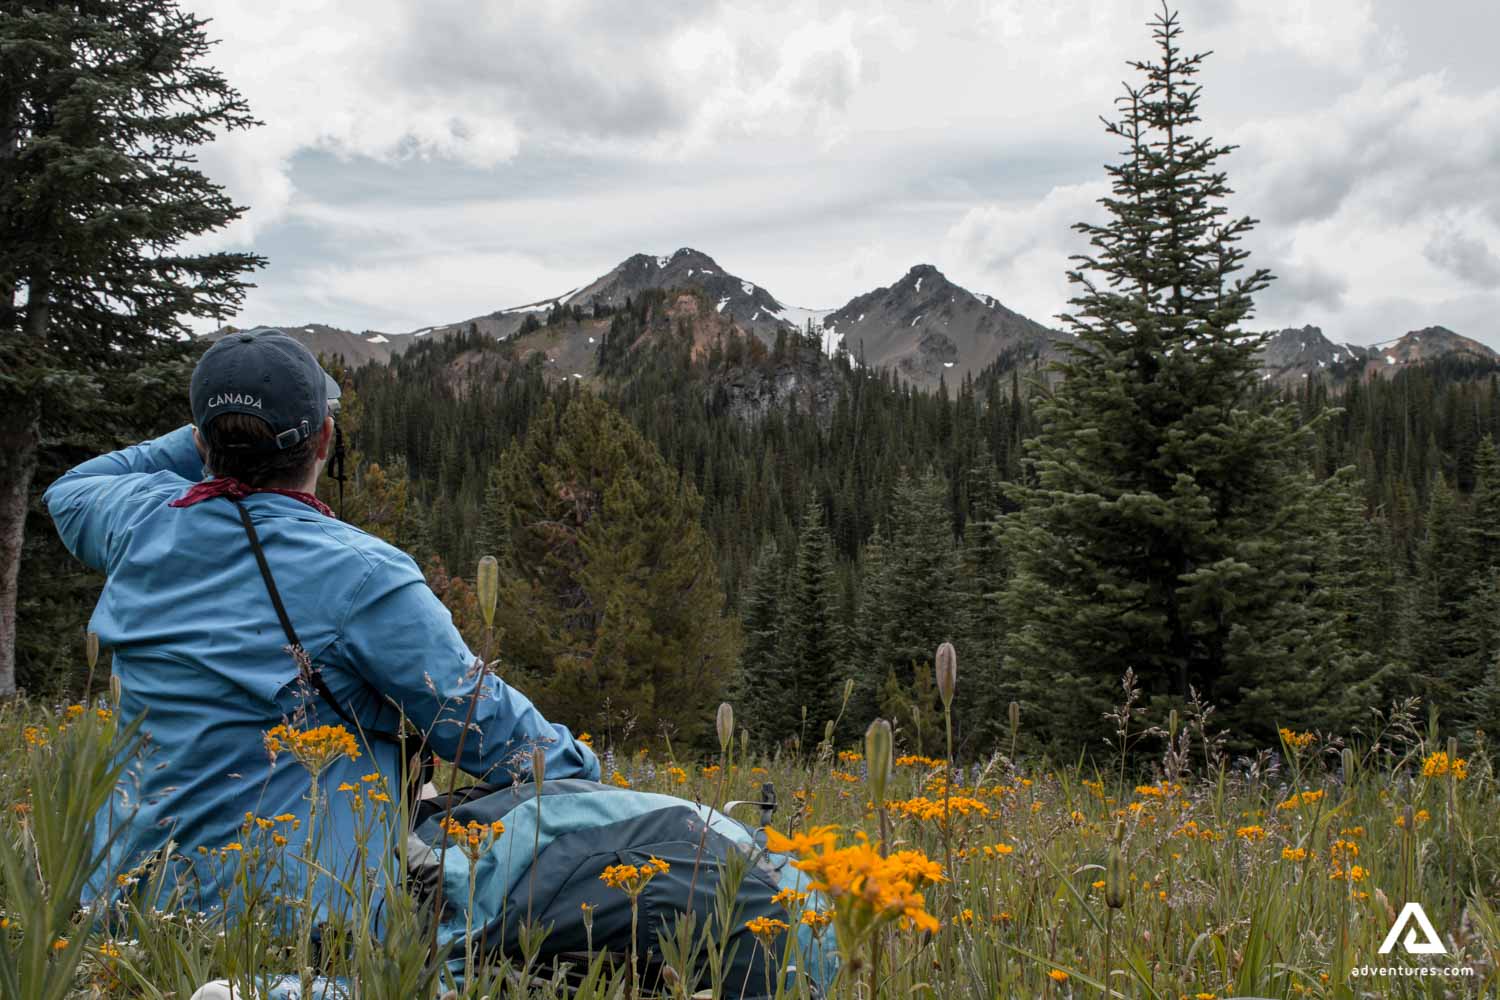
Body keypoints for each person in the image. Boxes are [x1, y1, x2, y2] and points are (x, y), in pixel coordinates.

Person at [43, 327, 598, 918]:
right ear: (325, 438)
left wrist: (220, 428)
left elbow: (73, 488)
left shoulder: (137, 522)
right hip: (287, 917)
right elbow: (481, 720)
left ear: (201, 445)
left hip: (122, 906)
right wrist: (588, 775)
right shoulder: (364, 574)